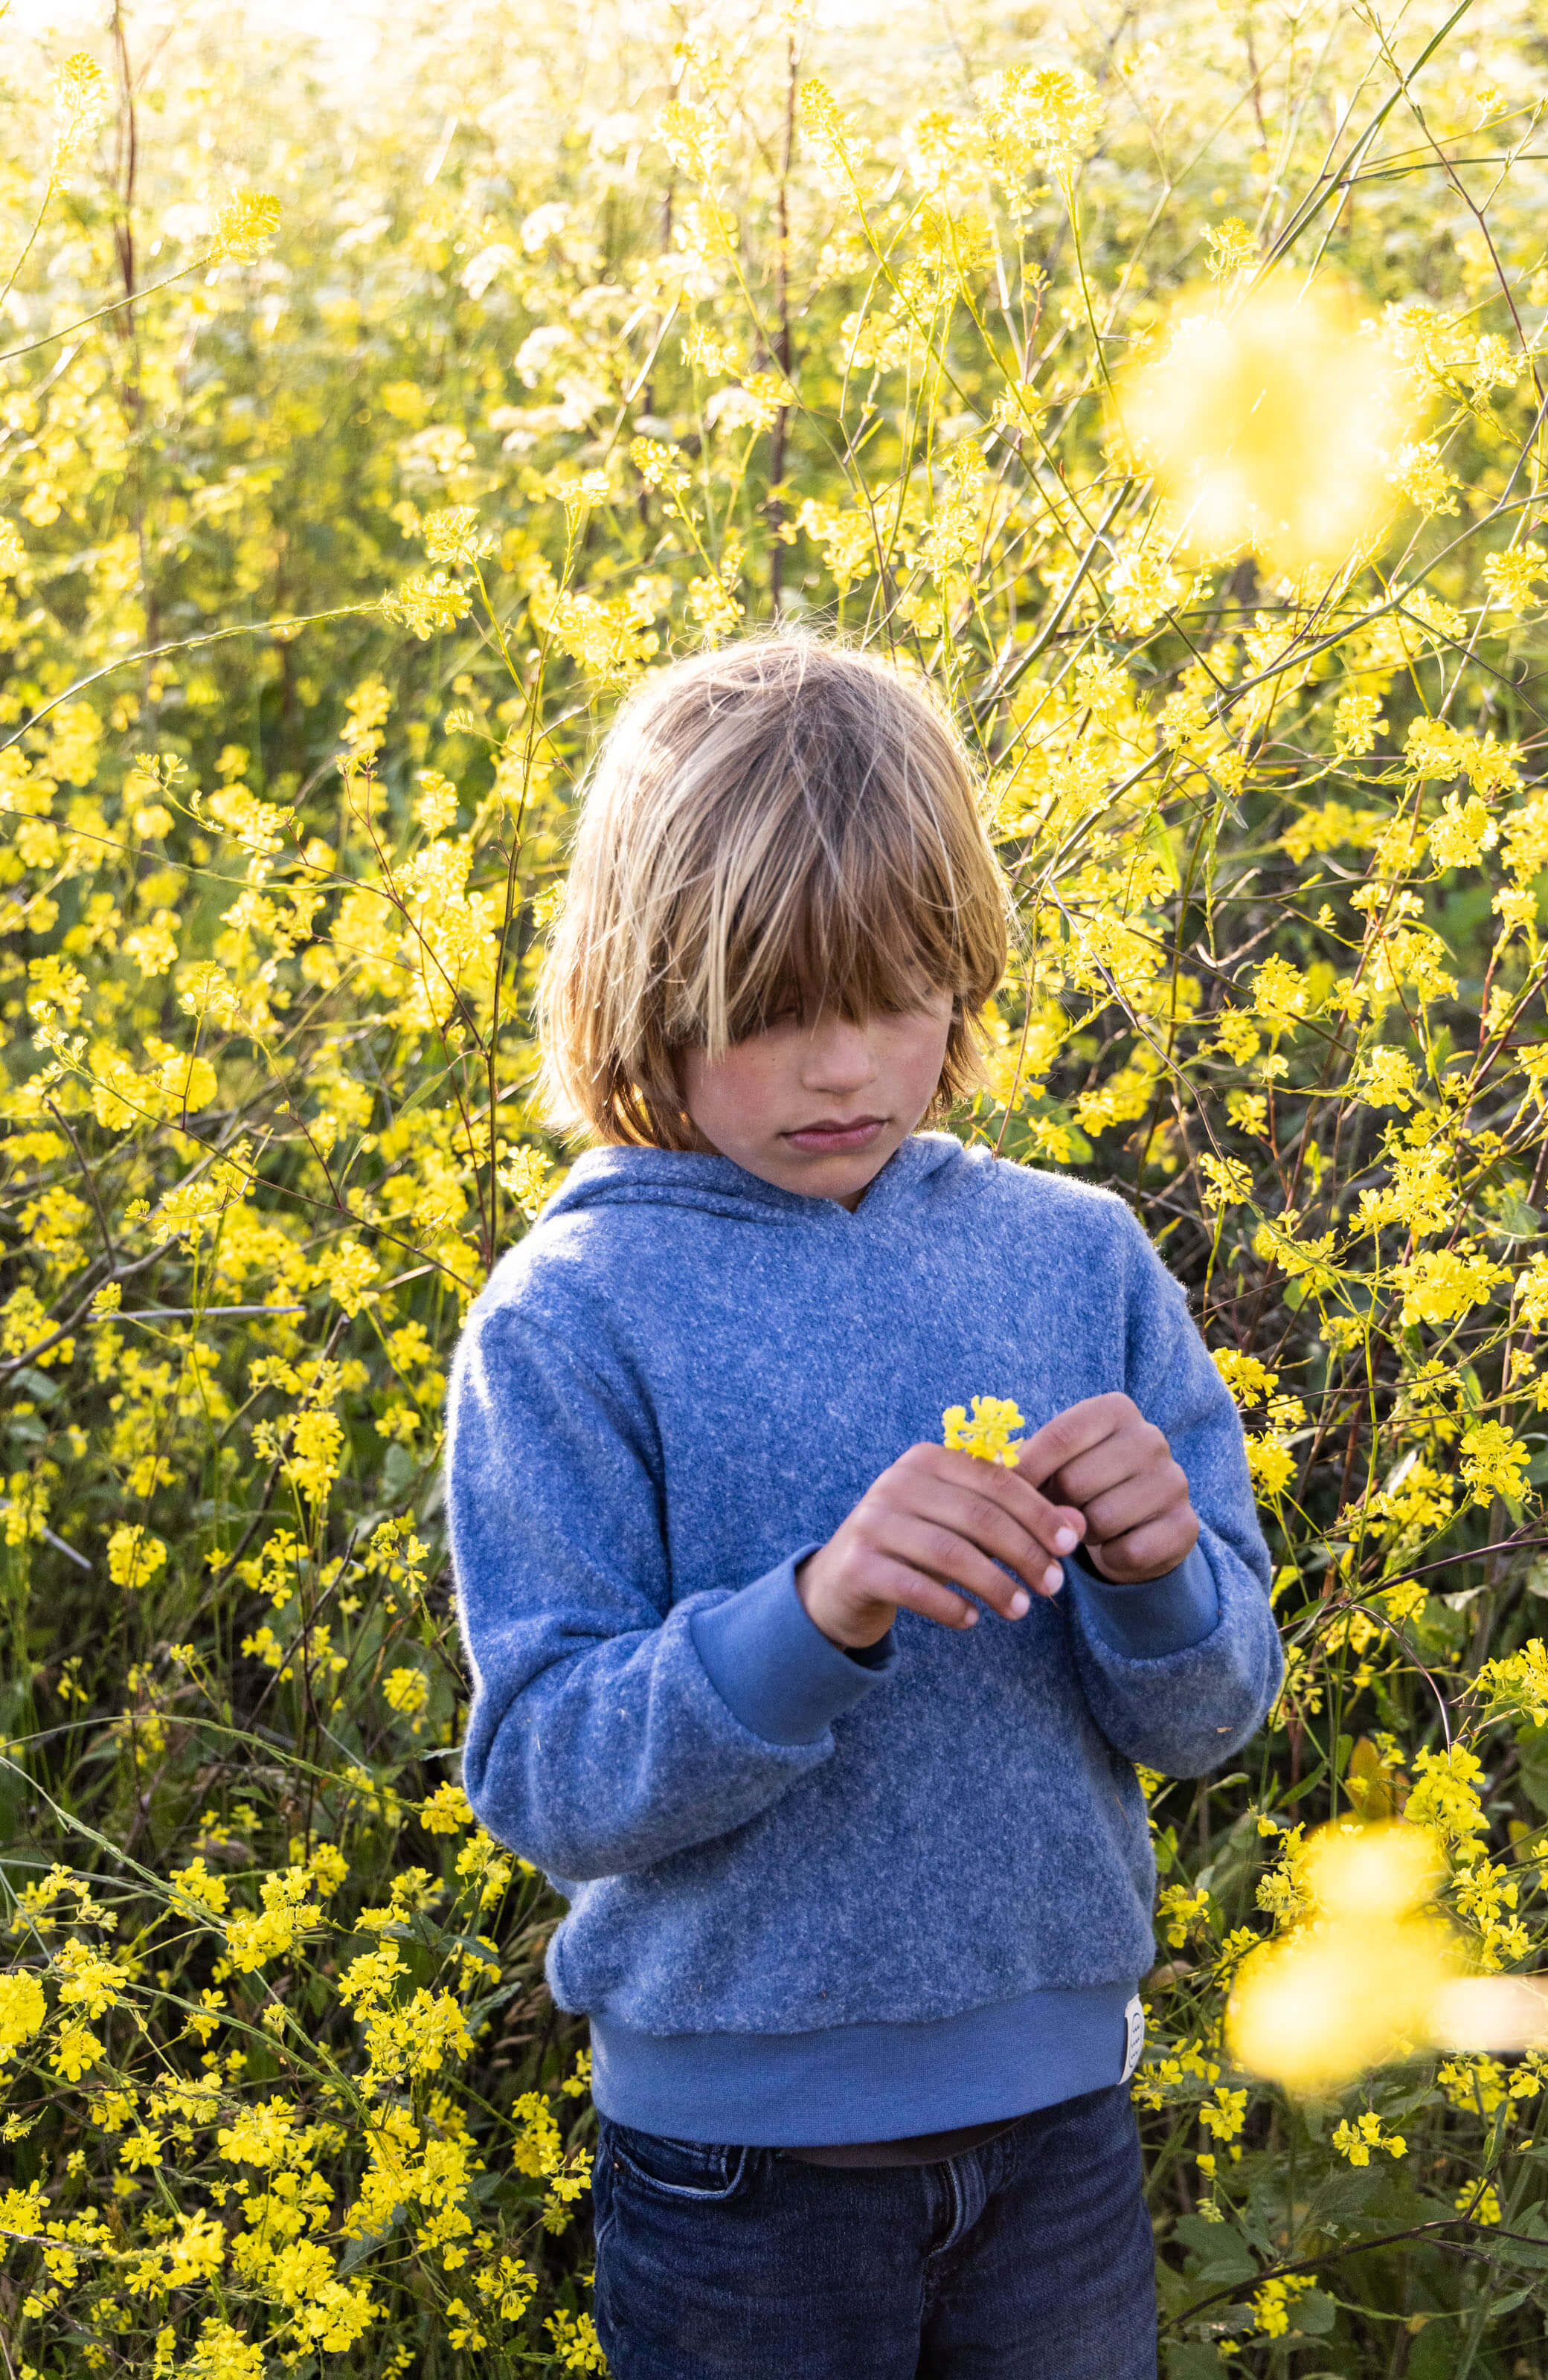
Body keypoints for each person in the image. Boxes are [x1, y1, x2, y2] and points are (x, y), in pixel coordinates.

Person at [445, 633, 1283, 2379]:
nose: (841, 1068)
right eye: (770, 1013)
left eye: (894, 995)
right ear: (644, 993)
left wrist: (1157, 1575)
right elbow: (546, 1774)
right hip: (737, 2183)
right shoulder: (572, 1314)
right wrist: (811, 1614)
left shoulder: (1077, 1259)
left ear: (964, 977)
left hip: (1058, 2134)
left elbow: (1210, 1718)